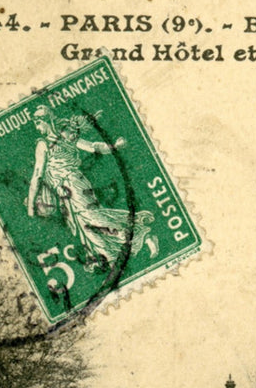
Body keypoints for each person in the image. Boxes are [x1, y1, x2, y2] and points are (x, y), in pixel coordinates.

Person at [25, 106, 159, 274]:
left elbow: (37, 175)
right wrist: (114, 147)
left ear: (47, 121)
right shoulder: (65, 136)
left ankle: (142, 234)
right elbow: (94, 147)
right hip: (69, 189)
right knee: (84, 226)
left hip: (73, 186)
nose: (38, 128)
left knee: (93, 219)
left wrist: (31, 207)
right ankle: (110, 258)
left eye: (38, 124)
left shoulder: (45, 144)